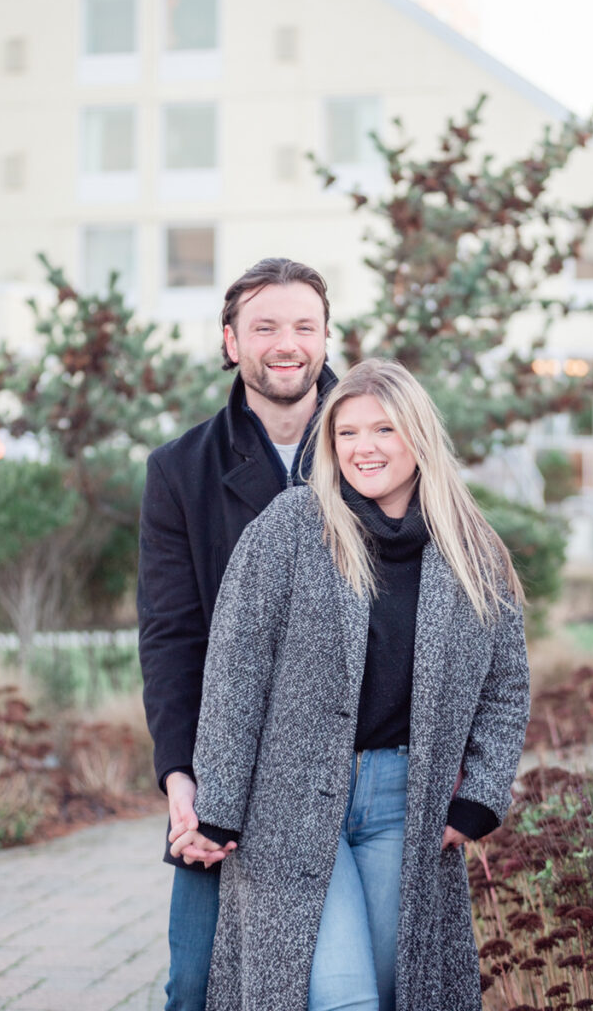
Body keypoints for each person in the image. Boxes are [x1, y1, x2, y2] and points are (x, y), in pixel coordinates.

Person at [171, 358, 531, 1011]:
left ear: (418, 436)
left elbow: (505, 689)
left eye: (383, 430)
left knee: (398, 990)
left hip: (406, 805)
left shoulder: (472, 551)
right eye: (348, 433)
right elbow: (234, 674)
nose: (364, 448)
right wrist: (218, 804)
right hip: (289, 804)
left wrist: (479, 795)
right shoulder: (290, 529)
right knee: (345, 996)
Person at [137, 257, 336, 1011]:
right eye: (265, 327)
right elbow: (170, 636)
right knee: (195, 984)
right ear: (230, 342)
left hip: (355, 765)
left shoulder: (379, 450)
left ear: (324, 337)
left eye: (303, 326)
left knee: (344, 984)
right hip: (227, 768)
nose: (287, 344)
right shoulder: (179, 472)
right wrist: (180, 777)